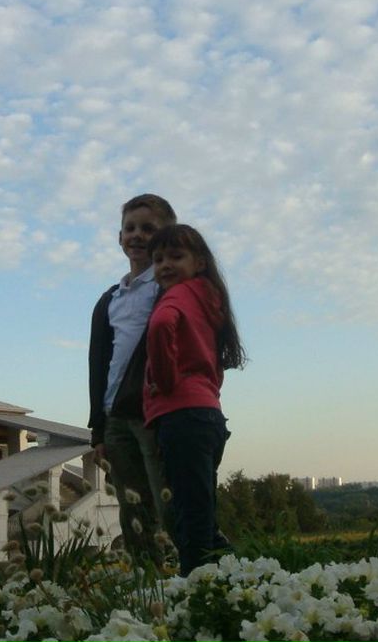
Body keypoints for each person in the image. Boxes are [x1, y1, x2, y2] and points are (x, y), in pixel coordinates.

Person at [143, 224, 245, 575]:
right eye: (157, 260)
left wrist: (164, 379)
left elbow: (159, 327)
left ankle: (197, 590)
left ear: (199, 261)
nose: (164, 266)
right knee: (203, 508)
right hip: (208, 415)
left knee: (191, 519)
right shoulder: (209, 297)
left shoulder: (177, 296)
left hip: (181, 416)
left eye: (175, 256)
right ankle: (233, 579)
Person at [88, 193, 176, 564]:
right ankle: (146, 583)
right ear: (119, 237)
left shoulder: (169, 289)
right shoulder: (112, 298)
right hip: (117, 417)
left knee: (168, 499)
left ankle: (185, 576)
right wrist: (98, 427)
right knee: (132, 508)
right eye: (130, 228)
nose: (137, 236)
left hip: (156, 412)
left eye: (148, 228)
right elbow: (99, 364)